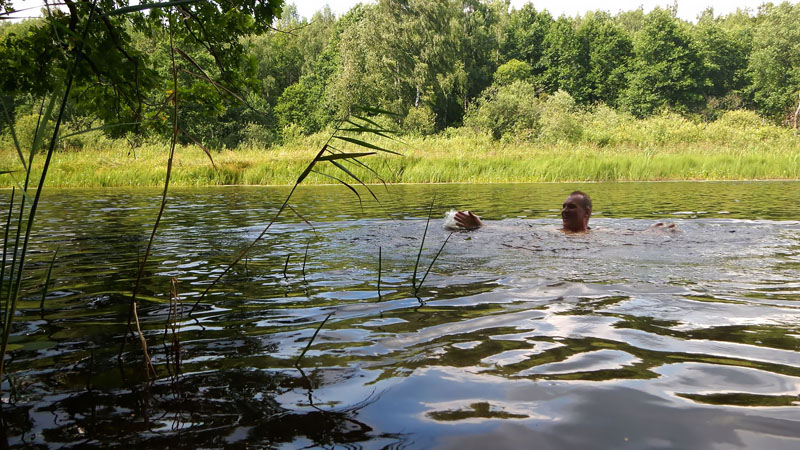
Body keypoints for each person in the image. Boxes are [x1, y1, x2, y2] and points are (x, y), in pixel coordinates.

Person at [453, 190, 594, 233]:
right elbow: (514, 231)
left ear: (586, 212)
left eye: (571, 207)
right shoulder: (553, 232)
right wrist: (480, 226)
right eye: (563, 206)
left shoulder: (600, 235)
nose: (564, 211)